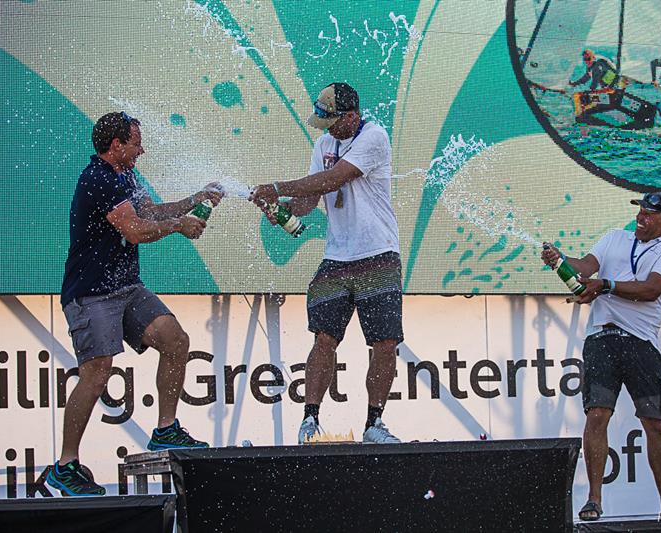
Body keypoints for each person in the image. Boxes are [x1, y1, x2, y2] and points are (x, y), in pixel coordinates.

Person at [47, 112, 223, 496]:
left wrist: (198, 197)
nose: (142, 148)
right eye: (136, 142)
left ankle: (164, 431)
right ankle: (64, 465)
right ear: (116, 145)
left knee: (175, 341)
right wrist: (181, 226)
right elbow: (137, 231)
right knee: (96, 374)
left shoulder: (126, 175)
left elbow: (153, 213)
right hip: (92, 293)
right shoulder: (99, 178)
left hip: (126, 287)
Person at [250, 82, 403, 445]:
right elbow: (309, 200)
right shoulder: (324, 144)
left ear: (351, 116)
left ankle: (374, 423)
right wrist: (281, 209)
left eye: (333, 122)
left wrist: (277, 185)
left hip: (378, 252)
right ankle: (309, 420)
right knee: (323, 338)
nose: (328, 130)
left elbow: (335, 177)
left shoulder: (374, 138)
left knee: (383, 342)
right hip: (336, 256)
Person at [541, 192, 661, 522]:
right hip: (601, 339)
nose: (641, 217)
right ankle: (594, 500)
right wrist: (559, 259)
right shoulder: (614, 238)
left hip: (640, 342)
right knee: (596, 416)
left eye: (649, 214)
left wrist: (605, 285)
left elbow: (651, 289)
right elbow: (584, 268)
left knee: (654, 422)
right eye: (640, 211)